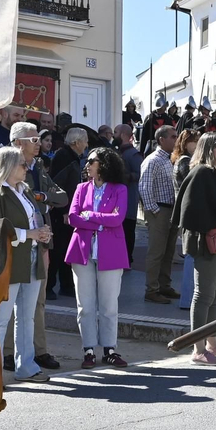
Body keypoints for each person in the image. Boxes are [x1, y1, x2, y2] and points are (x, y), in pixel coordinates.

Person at [172, 133, 216, 365]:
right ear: (208, 149)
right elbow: (189, 211)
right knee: (203, 296)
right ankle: (198, 349)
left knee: (213, 296)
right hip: (210, 243)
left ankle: (212, 344)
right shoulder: (202, 172)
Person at [2, 121, 67, 371]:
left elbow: (62, 197)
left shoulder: (39, 167)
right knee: (9, 302)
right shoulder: (7, 166)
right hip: (17, 242)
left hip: (40, 242)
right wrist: (42, 201)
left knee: (36, 301)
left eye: (39, 139)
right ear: (18, 142)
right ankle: (9, 353)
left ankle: (38, 352)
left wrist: (41, 197)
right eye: (34, 140)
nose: (39, 143)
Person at [0, 145, 53, 384]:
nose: (27, 167)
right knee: (1, 319)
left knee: (27, 317)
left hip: (32, 258)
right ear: (7, 165)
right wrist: (30, 234)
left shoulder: (24, 190)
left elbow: (34, 219)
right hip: (8, 262)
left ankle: (26, 366)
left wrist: (42, 233)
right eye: (22, 164)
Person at [66, 146, 130, 369]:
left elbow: (118, 218)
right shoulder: (81, 188)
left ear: (103, 164)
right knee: (85, 305)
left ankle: (110, 349)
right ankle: (89, 350)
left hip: (111, 253)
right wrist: (102, 221)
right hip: (82, 251)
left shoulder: (120, 189)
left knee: (109, 305)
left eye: (91, 160)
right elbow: (73, 218)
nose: (87, 164)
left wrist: (91, 216)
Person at [138, 125, 180, 304]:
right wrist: (153, 211)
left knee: (169, 251)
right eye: (173, 136)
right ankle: (152, 289)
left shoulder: (170, 159)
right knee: (156, 252)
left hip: (170, 209)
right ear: (162, 139)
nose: (176, 139)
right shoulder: (153, 160)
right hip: (159, 210)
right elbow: (144, 186)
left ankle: (164, 285)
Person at [47, 127, 89, 298]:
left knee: (67, 249)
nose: (87, 145)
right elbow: (58, 185)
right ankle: (50, 286)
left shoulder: (72, 157)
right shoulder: (64, 157)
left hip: (70, 210)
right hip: (62, 212)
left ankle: (67, 285)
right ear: (77, 142)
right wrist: (64, 209)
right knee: (57, 250)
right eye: (85, 141)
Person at [172, 129, 201, 312]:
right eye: (194, 141)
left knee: (191, 255)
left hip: (186, 213)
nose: (197, 144)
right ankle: (188, 299)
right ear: (186, 142)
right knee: (191, 256)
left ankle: (188, 298)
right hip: (189, 214)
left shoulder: (182, 160)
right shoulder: (185, 162)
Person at [115, 123, 143, 265]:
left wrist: (126, 176)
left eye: (116, 132)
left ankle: (127, 259)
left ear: (124, 135)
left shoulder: (133, 154)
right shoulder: (117, 151)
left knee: (128, 229)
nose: (114, 135)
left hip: (129, 197)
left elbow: (140, 174)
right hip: (117, 198)